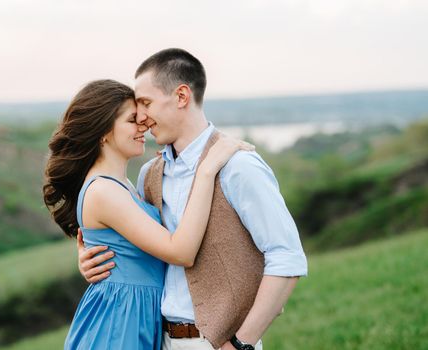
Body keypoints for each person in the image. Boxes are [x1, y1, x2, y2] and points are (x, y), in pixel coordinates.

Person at [77, 48, 308, 350]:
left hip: (219, 343)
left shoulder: (238, 166)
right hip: (155, 339)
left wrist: (242, 343)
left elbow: (286, 258)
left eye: (146, 103)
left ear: (182, 97)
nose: (142, 118)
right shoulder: (149, 174)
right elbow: (134, 237)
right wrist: (89, 256)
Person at [43, 79, 252, 350]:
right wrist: (206, 170)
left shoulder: (125, 185)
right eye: (133, 120)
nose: (144, 126)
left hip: (135, 317)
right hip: (117, 324)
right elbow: (181, 252)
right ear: (104, 131)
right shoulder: (103, 191)